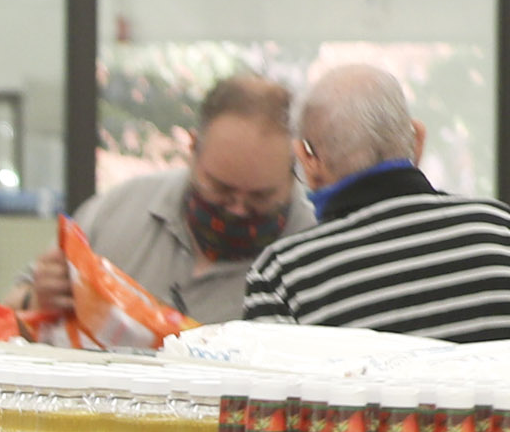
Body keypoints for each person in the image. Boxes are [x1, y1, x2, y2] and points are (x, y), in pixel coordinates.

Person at [242, 63, 510, 341]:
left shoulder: (282, 276)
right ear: (418, 141)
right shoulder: (508, 233)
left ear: (308, 160)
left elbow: (268, 385)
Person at [25, 74, 309, 328]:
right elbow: (11, 310)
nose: (237, 209)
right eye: (221, 189)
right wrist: (37, 300)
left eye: (261, 196)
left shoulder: (313, 253)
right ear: (192, 148)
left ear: (295, 169)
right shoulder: (116, 210)